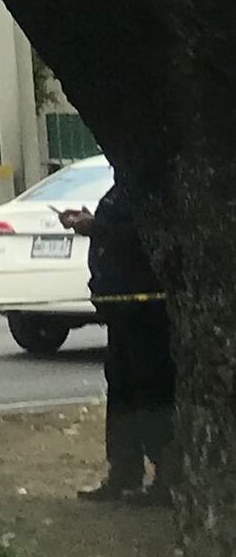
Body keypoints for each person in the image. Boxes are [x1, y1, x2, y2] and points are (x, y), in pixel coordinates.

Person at [59, 169, 175, 506]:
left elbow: (142, 236)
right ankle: (123, 470)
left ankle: (167, 475)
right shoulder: (121, 188)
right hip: (121, 311)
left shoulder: (150, 188)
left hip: (145, 314)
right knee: (122, 390)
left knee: (149, 390)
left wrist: (96, 227)